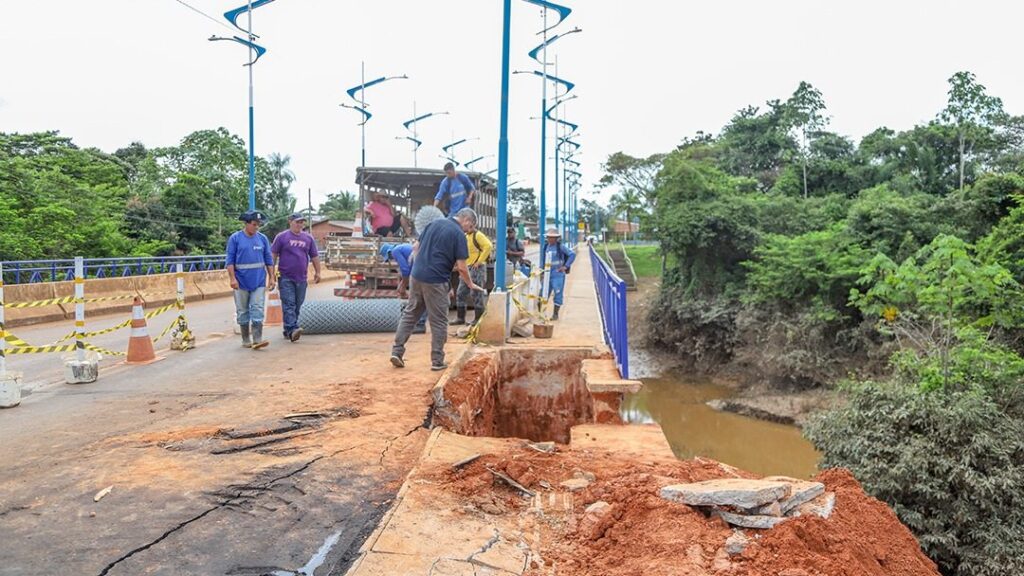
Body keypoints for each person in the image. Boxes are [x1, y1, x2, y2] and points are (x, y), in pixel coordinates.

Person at [391, 207, 484, 371]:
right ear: (467, 220)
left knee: (410, 313)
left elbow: (416, 248)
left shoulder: (433, 224)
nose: (469, 232)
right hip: (435, 280)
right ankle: (437, 361)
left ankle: (397, 352)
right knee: (439, 320)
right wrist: (470, 284)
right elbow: (462, 267)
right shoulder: (458, 235)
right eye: (470, 228)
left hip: (417, 276)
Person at [226, 211, 276, 349]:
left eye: (258, 225)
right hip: (241, 282)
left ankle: (257, 338)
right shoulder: (235, 239)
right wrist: (232, 278)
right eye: (254, 224)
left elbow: (268, 259)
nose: (256, 227)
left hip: (259, 281)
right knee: (242, 310)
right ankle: (245, 338)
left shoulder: (262, 239)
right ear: (246, 224)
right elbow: (230, 261)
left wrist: (272, 277)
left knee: (257, 308)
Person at [271, 212, 322, 342]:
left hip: (302, 278)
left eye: (301, 222)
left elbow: (314, 256)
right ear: (290, 222)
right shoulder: (281, 237)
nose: (300, 224)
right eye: (297, 222)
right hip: (285, 277)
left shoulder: (308, 238)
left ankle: (288, 330)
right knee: (289, 303)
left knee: (298, 305)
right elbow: (273, 255)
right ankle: (293, 328)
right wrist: (271, 274)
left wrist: (318, 272)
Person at [453, 214, 492, 326]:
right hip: (467, 268)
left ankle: (478, 319)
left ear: (470, 222)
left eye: (464, 221)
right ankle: (460, 318)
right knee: (461, 292)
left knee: (476, 293)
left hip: (476, 269)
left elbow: (488, 246)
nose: (461, 224)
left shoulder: (478, 235)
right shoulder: (465, 236)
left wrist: (479, 261)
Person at [381, 242, 426, 334]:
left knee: (420, 298)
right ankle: (419, 323)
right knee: (422, 298)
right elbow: (408, 269)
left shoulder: (395, 251)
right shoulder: (402, 248)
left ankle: (420, 324)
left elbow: (405, 270)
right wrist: (402, 283)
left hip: (422, 269)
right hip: (423, 266)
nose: (392, 259)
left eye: (389, 258)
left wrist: (403, 287)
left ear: (389, 253)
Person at [543, 227, 575, 321]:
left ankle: (555, 314)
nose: (550, 239)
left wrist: (565, 266)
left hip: (557, 274)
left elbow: (572, 254)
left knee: (557, 293)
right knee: (543, 293)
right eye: (549, 237)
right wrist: (542, 271)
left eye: (552, 237)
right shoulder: (546, 247)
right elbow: (543, 259)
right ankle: (542, 314)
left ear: (556, 238)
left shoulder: (560, 247)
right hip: (547, 273)